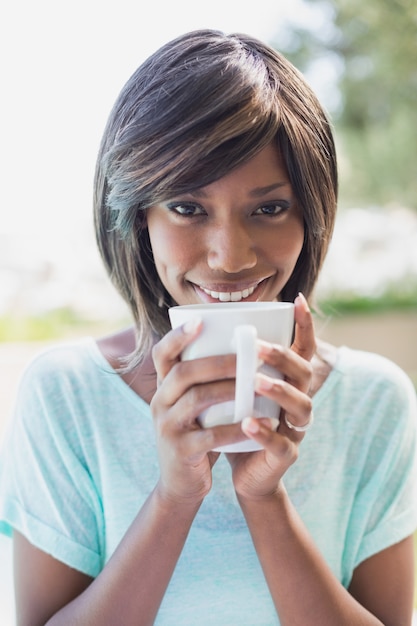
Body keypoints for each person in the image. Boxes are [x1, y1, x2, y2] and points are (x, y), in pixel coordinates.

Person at [0, 29, 416, 626]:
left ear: (312, 216)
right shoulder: (67, 396)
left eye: (269, 208)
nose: (230, 256)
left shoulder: (375, 402)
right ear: (139, 215)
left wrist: (263, 498)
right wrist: (174, 497)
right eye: (188, 208)